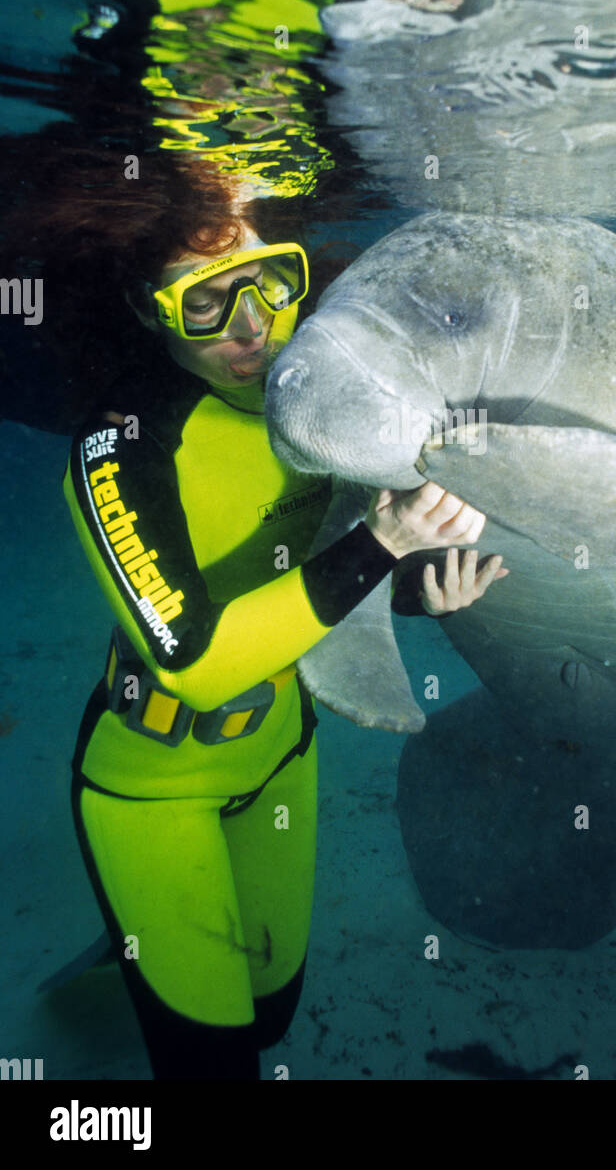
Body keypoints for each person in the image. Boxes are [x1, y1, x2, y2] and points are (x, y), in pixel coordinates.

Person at [62, 204, 507, 1081]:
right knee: (216, 1069)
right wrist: (384, 546)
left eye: (271, 284)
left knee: (271, 1021)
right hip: (153, 789)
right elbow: (194, 664)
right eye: (205, 303)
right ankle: (144, 947)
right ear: (148, 308)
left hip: (281, 757)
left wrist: (423, 581)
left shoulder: (323, 395)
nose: (252, 327)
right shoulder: (121, 447)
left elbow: (339, 556)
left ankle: (146, 959)